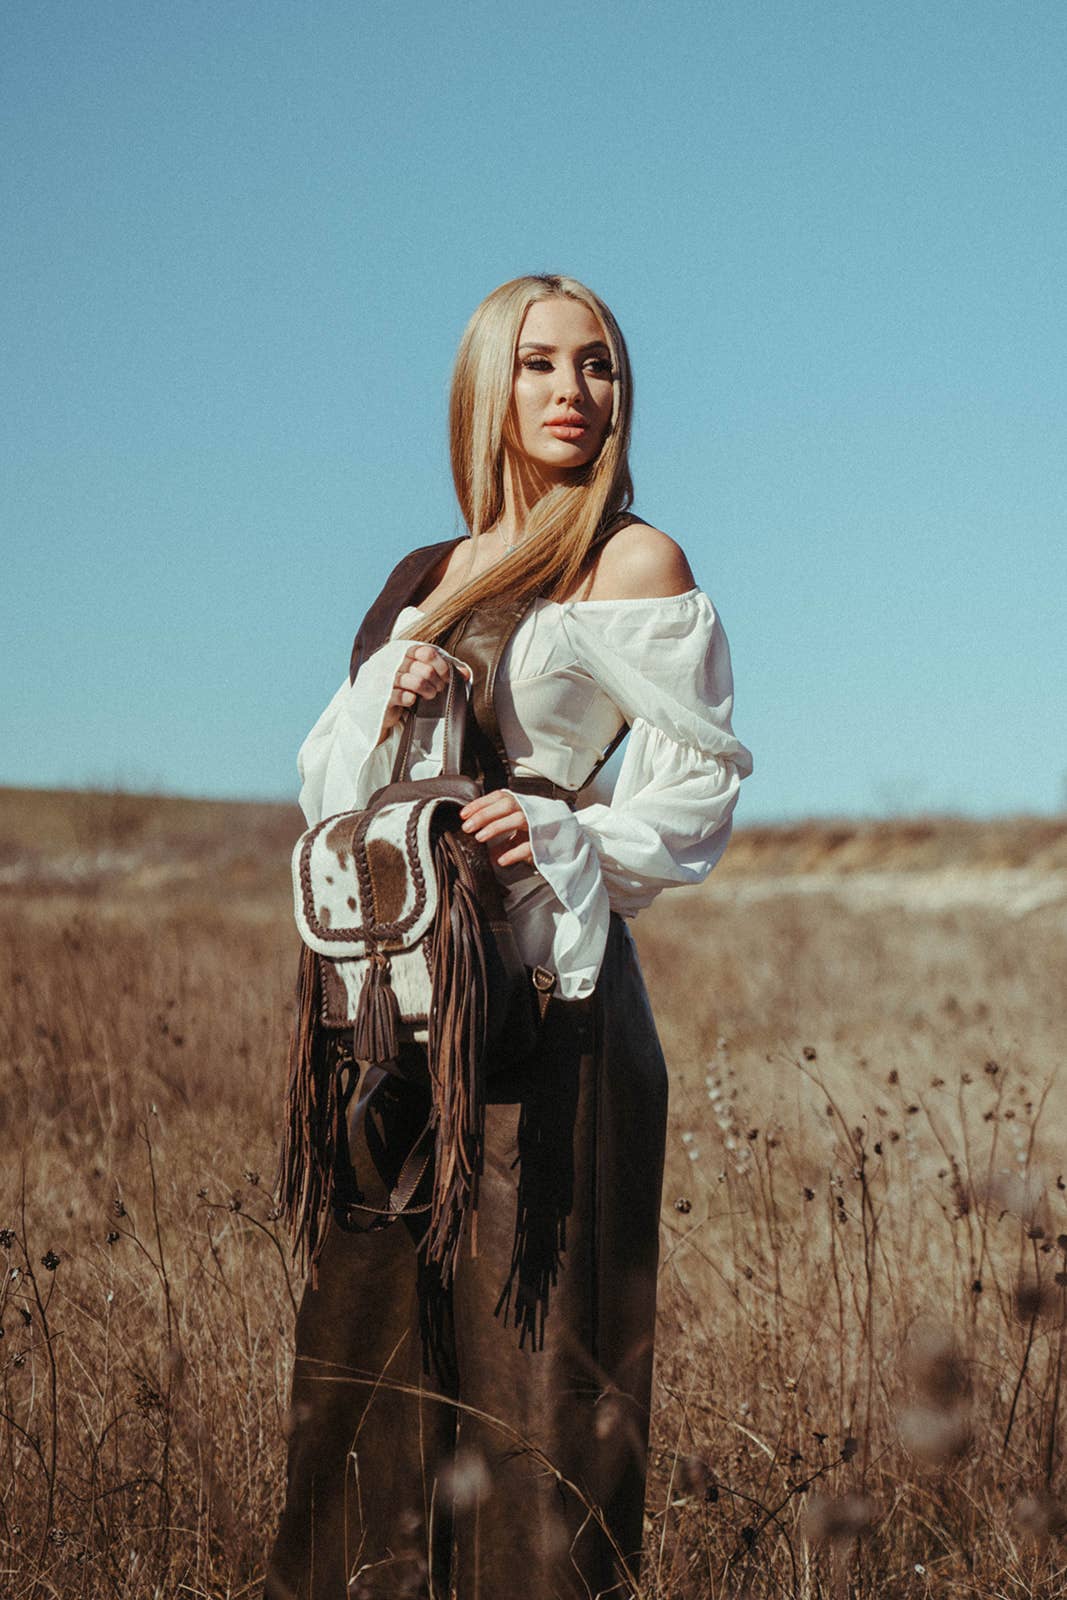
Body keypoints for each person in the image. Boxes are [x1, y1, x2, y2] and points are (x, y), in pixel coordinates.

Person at [265, 274, 752, 1600]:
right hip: (391, 1013)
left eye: (598, 365)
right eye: (540, 363)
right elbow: (324, 785)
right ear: (487, 382)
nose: (573, 392)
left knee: (541, 1403)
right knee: (361, 1388)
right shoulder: (420, 578)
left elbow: (700, 786)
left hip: (549, 1013)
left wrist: (566, 834)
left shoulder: (632, 562)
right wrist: (391, 690)